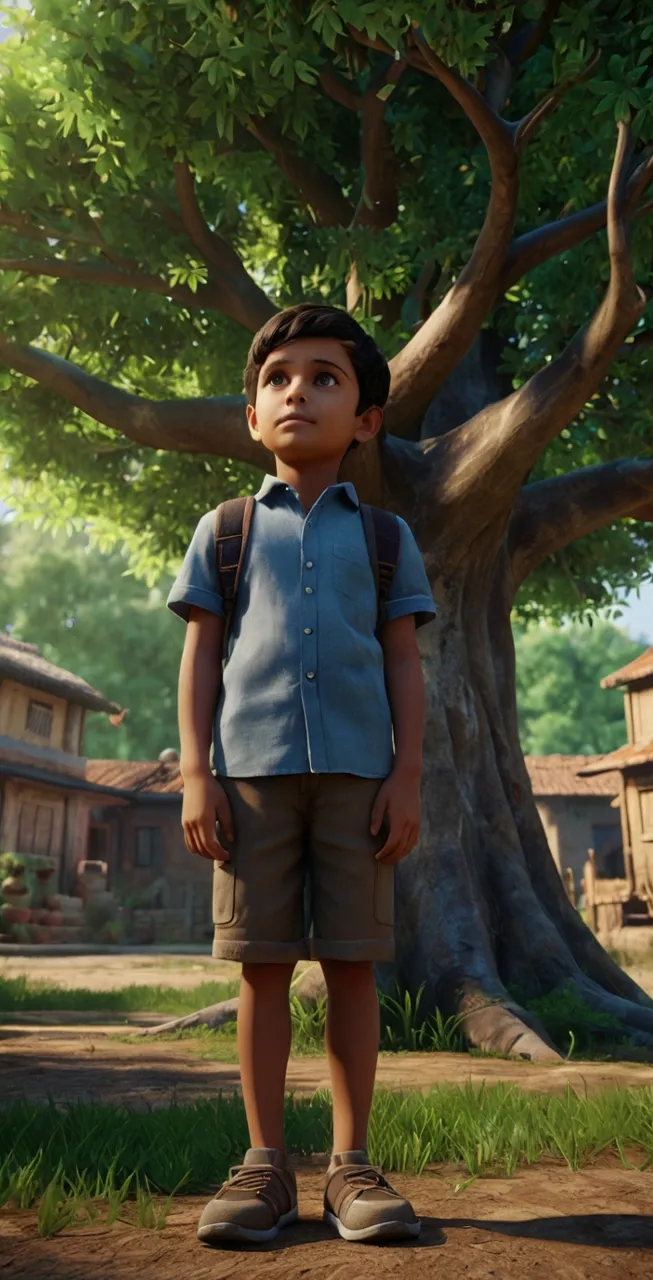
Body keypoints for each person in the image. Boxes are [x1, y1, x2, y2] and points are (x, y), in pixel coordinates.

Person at [167, 302, 436, 1247]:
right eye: (279, 379)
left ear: (365, 418)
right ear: (252, 414)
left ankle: (352, 1167)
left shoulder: (388, 540)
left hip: (362, 783)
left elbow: (405, 665)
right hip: (249, 782)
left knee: (354, 968)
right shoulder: (227, 528)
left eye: (327, 378)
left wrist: (407, 778)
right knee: (262, 968)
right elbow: (202, 658)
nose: (298, 393)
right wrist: (197, 774)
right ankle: (264, 1164)